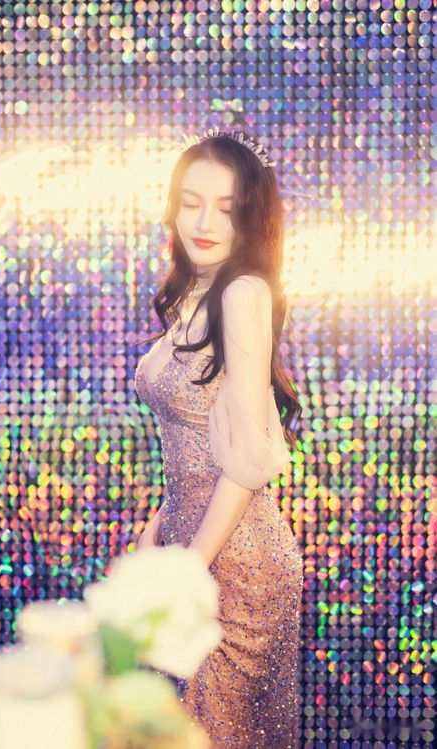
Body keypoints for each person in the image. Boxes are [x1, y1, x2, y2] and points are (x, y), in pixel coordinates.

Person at [135, 127, 304, 748]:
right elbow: (197, 446)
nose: (205, 222)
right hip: (195, 547)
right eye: (191, 202)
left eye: (227, 208)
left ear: (250, 218)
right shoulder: (194, 291)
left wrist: (187, 567)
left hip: (239, 567)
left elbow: (244, 462)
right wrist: (159, 528)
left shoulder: (244, 291)